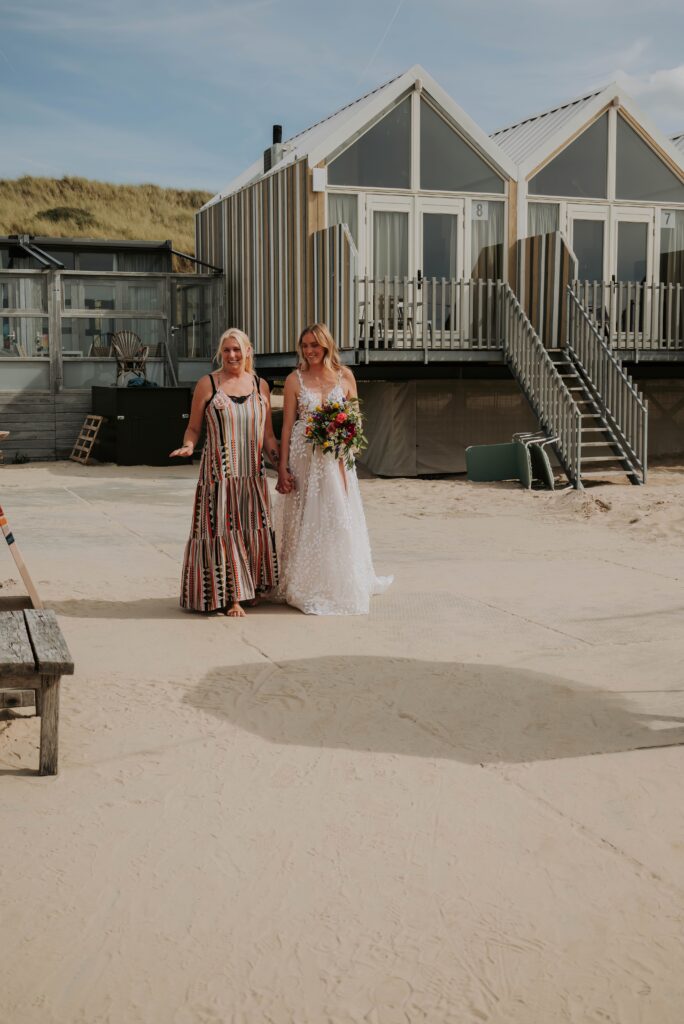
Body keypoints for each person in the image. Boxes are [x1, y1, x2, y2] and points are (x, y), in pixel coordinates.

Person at [275, 323, 392, 615]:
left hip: (336, 457)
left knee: (337, 513)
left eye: (314, 345)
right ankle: (303, 577)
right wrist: (282, 467)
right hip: (304, 455)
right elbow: (287, 426)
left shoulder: (345, 376)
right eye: (304, 346)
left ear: (326, 345)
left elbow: (356, 420)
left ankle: (339, 576)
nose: (309, 351)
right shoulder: (294, 380)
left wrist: (345, 437)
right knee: (305, 515)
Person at [171, 328, 279, 617]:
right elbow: (194, 427)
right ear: (221, 353)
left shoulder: (261, 386)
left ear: (248, 352)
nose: (232, 355)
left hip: (252, 475)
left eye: (237, 349)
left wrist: (281, 463)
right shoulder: (208, 384)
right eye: (227, 350)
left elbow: (268, 436)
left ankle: (252, 588)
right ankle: (231, 596)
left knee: (251, 527)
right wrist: (187, 446)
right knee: (222, 530)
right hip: (219, 475)